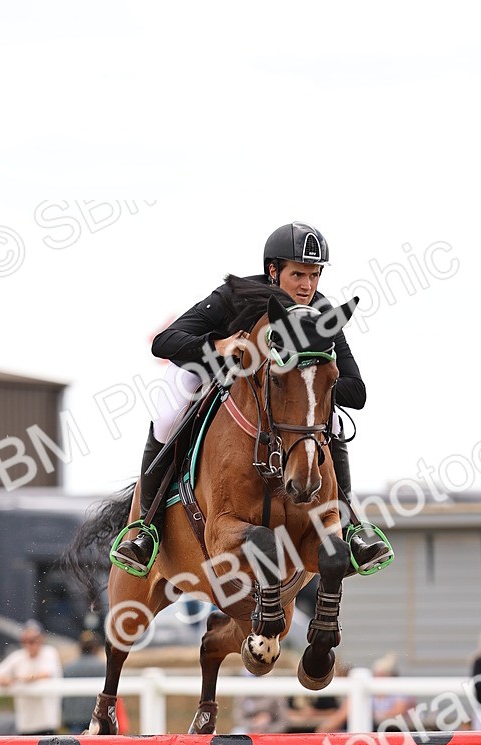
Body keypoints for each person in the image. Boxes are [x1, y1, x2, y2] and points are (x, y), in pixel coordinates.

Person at [112, 221, 391, 576]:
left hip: (285, 404)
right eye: (298, 275)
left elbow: (357, 391)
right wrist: (217, 346)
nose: (307, 286)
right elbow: (164, 341)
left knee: (331, 418)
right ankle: (146, 529)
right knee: (168, 415)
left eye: (314, 275)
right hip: (214, 375)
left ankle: (350, 526)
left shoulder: (321, 315)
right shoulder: (235, 296)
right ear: (273, 271)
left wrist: (312, 382)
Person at [61, 630, 111, 745]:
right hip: (96, 717)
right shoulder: (103, 667)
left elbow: (63, 694)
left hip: (74, 715)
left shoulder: (69, 668)